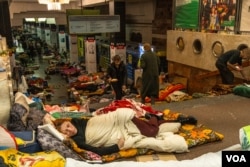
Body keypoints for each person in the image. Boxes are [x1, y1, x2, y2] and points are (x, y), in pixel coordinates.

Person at [53, 109, 183, 156]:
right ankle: (157, 119)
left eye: (68, 126)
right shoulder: (78, 140)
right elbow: (97, 151)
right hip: (118, 132)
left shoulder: (77, 121)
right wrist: (117, 146)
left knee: (152, 131)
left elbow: (93, 118)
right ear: (65, 135)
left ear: (69, 122)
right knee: (151, 131)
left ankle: (154, 118)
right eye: (66, 131)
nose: (70, 130)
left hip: (118, 120)